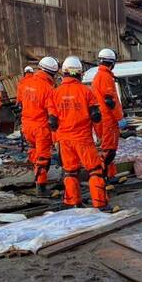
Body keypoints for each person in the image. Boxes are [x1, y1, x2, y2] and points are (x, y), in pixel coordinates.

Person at [47, 56, 109, 210]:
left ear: (64, 73)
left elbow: (52, 122)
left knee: (70, 172)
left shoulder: (55, 93)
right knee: (95, 170)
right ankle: (100, 205)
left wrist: (56, 141)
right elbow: (96, 117)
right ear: (80, 73)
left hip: (65, 140)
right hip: (82, 139)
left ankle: (73, 202)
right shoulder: (86, 92)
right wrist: (100, 137)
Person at [20, 57, 58, 197]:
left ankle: (35, 176)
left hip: (26, 125)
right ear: (52, 73)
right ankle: (41, 188)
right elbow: (52, 116)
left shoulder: (27, 83)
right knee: (43, 158)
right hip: (40, 127)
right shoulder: (48, 88)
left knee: (34, 152)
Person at [91, 48, 124, 181]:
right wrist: (119, 117)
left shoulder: (100, 75)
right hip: (108, 119)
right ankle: (101, 177)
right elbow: (109, 101)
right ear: (112, 62)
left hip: (103, 118)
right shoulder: (105, 77)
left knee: (107, 149)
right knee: (109, 151)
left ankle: (109, 175)